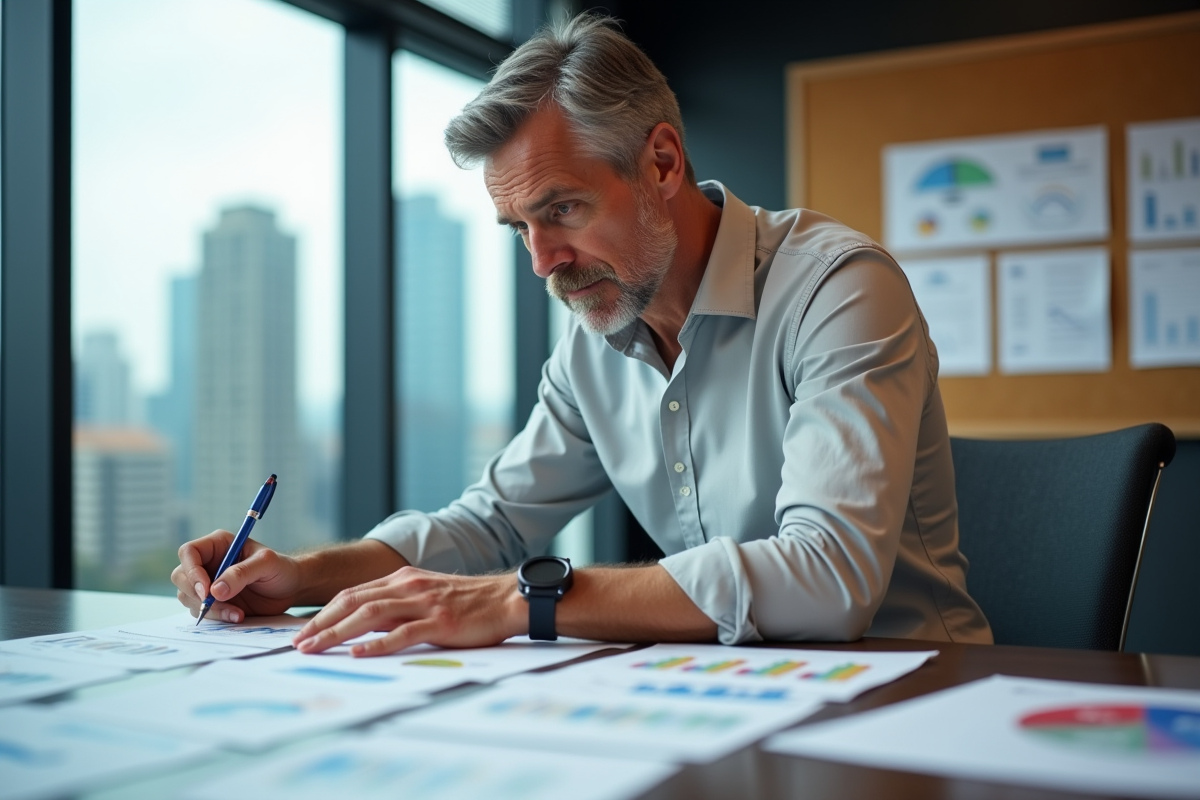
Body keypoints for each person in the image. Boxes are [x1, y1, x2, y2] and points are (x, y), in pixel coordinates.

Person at [171, 13, 992, 655]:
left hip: (913, 689)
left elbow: (827, 577)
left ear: (661, 164)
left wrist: (521, 599)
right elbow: (488, 526)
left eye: (561, 209)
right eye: (517, 228)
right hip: (734, 690)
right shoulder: (590, 346)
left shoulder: (839, 289)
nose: (542, 263)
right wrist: (303, 575)